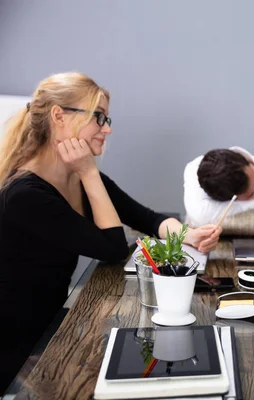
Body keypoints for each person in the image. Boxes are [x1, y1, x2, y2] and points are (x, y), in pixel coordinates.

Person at [0, 72, 222, 393]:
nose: (108, 128)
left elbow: (146, 217)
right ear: (58, 116)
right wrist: (89, 172)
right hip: (17, 341)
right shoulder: (26, 194)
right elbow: (114, 247)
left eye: (107, 118)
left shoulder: (76, 177)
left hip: (50, 322)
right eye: (98, 117)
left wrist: (187, 234)